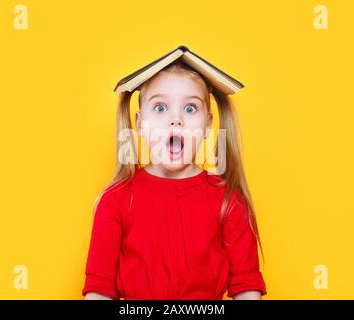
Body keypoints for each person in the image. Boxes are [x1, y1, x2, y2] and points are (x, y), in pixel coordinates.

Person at [82, 59, 266, 300]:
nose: (176, 120)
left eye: (190, 109)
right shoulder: (115, 200)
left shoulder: (229, 201)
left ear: (208, 125)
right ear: (140, 123)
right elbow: (99, 291)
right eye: (160, 108)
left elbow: (246, 288)